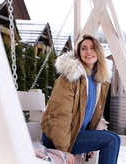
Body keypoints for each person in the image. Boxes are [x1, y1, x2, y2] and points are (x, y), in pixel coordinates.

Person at [41, 34, 121, 164]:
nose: (88, 52)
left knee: (115, 138)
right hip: (56, 137)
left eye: (92, 48)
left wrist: (92, 139)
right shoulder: (69, 78)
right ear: (79, 53)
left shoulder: (98, 80)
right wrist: (63, 149)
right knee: (110, 141)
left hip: (76, 134)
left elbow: (92, 115)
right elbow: (60, 115)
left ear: (99, 52)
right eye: (83, 48)